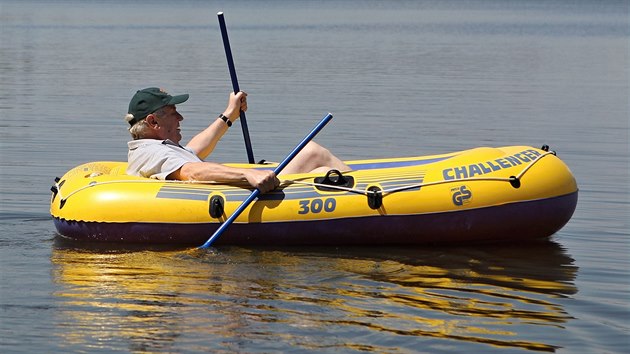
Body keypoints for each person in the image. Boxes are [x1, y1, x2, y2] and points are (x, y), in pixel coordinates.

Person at [124, 87, 350, 193]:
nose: (181, 117)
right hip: (252, 195)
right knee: (312, 153)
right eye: (174, 112)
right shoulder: (152, 153)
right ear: (153, 122)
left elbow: (195, 149)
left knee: (316, 171)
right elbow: (192, 171)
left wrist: (230, 114)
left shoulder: (155, 149)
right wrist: (247, 173)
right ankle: (373, 195)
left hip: (251, 192)